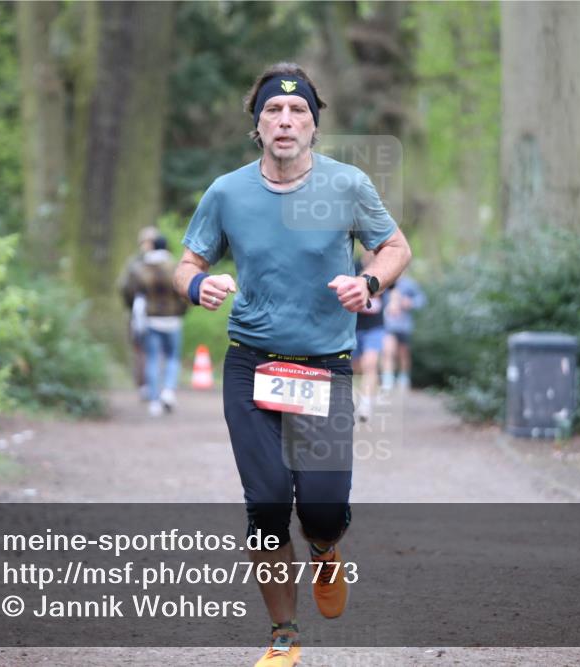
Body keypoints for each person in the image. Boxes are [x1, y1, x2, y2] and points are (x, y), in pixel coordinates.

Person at [173, 62, 411, 667]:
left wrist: (370, 283)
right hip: (250, 364)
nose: (285, 120)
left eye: (297, 111)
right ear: (257, 126)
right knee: (268, 503)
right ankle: (283, 634)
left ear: (313, 125)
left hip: (323, 368)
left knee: (324, 508)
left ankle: (327, 550)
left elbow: (395, 246)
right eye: (273, 112)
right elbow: (185, 264)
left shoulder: (348, 185)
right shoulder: (227, 192)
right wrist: (196, 284)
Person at [137, 234, 188, 416]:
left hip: (151, 320)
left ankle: (154, 401)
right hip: (173, 319)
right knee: (172, 357)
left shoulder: (142, 267)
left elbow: (130, 290)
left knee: (152, 359)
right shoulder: (174, 266)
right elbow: (183, 291)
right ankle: (168, 391)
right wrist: (182, 310)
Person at [118, 227, 161, 400]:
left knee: (143, 351)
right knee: (143, 351)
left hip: (142, 313)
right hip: (151, 314)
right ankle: (147, 386)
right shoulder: (165, 261)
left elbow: (124, 287)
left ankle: (149, 386)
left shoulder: (134, 263)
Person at [381, 271, 426, 391]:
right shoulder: (386, 281)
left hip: (404, 325)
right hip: (388, 324)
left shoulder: (410, 284)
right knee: (388, 351)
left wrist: (411, 303)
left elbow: (421, 300)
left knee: (403, 353)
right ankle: (388, 378)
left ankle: (404, 377)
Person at [352, 254, 384, 422]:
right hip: (354, 326)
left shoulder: (384, 267)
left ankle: (365, 405)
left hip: (375, 327)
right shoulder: (353, 266)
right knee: (356, 367)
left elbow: (394, 289)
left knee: (370, 363)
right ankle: (360, 396)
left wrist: (395, 302)